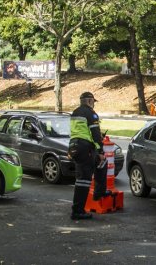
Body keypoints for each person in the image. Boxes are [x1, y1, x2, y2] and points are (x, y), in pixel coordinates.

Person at [69, 91, 110, 220]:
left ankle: (99, 192)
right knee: (85, 180)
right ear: (90, 101)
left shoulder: (75, 112)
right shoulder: (91, 114)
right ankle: (78, 211)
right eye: (93, 101)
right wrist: (101, 151)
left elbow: (80, 131)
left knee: (87, 174)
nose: (94, 104)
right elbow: (95, 134)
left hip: (74, 146)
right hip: (85, 147)